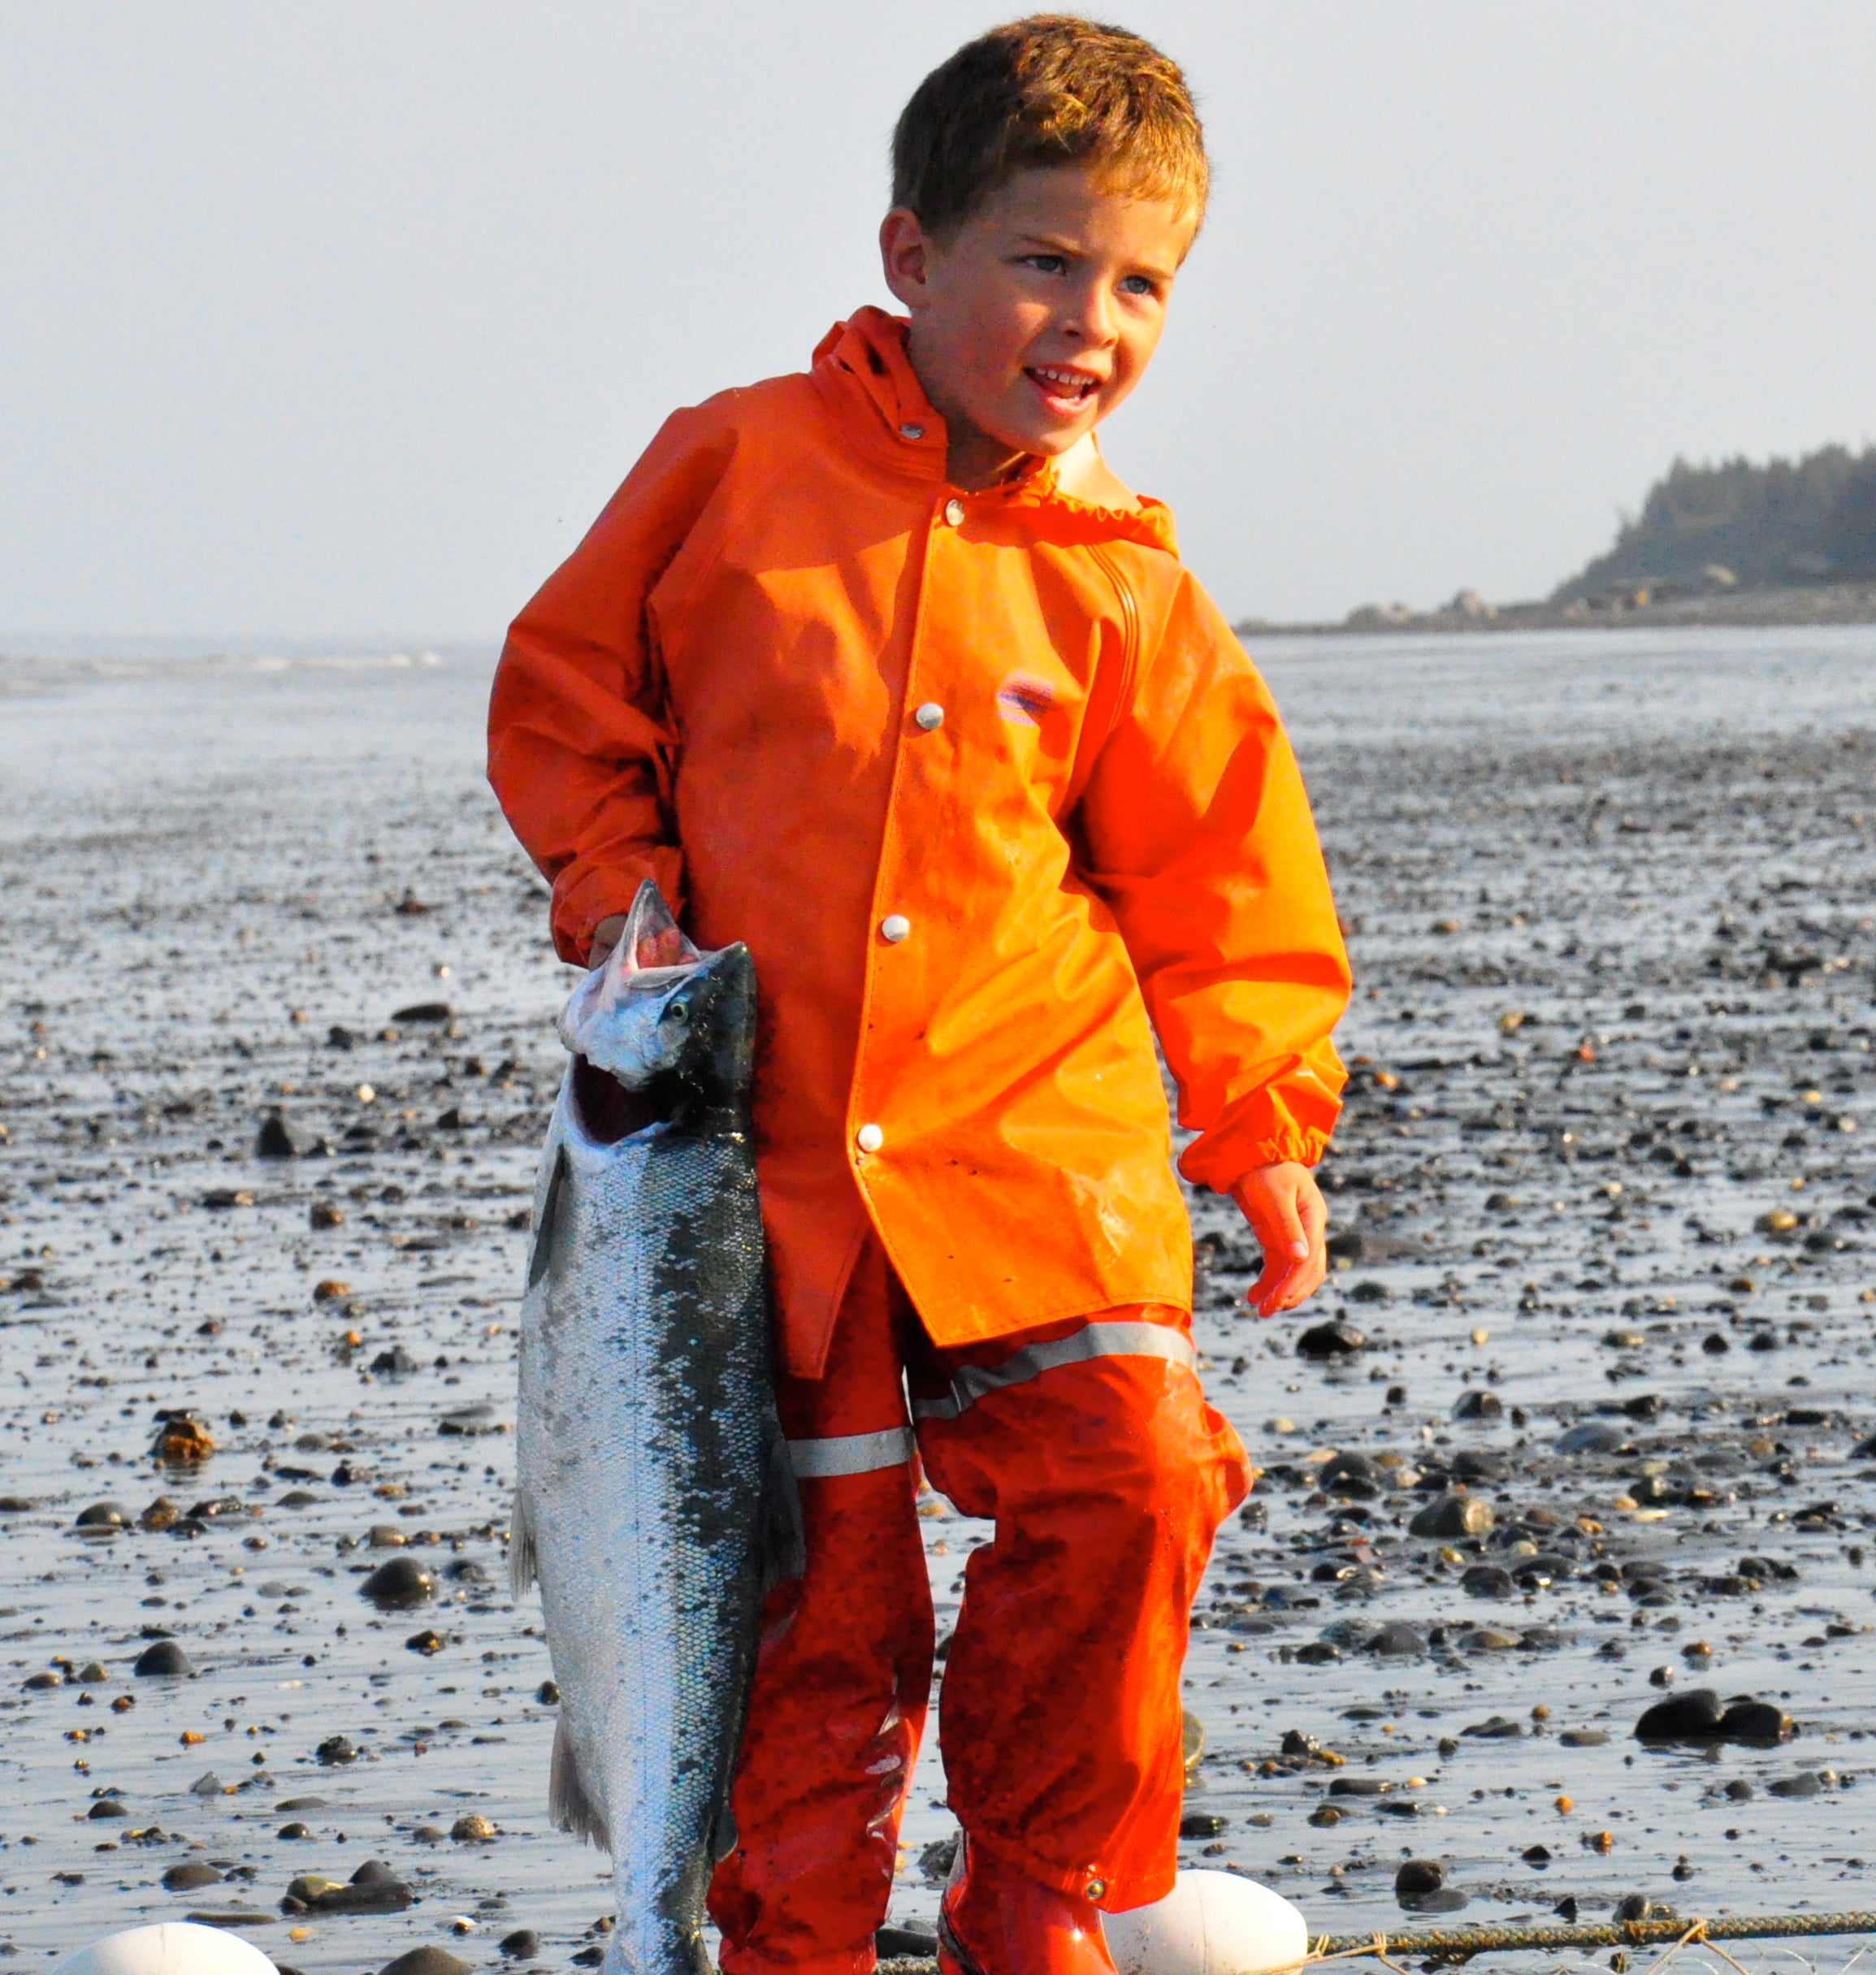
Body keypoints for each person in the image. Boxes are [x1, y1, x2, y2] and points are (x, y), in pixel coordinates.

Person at [486, 19, 1349, 1975]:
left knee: (1134, 1484)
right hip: (756, 1181)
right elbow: (562, 699)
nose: (1093, 318)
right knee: (808, 1605)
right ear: (911, 257)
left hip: (1041, 1157)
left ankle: (1036, 1909)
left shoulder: (1127, 579)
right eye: (1045, 260)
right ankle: (785, 1938)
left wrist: (1263, 1123)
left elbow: (1223, 880)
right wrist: (621, 898)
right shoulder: (733, 463)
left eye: (1141, 282)